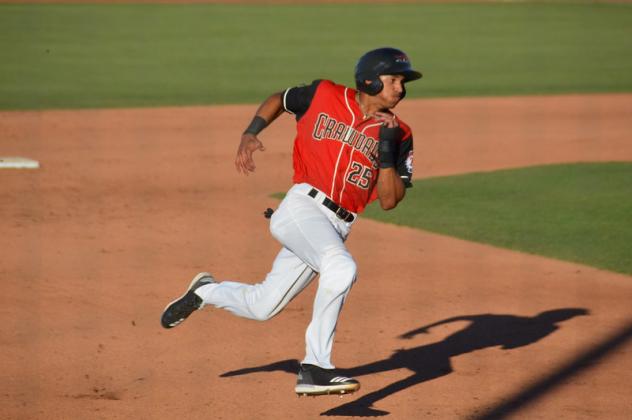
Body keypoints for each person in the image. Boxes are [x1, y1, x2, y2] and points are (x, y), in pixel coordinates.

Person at [161, 47, 422, 396]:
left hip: (337, 227)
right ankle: (315, 368)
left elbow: (390, 200)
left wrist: (387, 151)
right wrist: (252, 131)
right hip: (301, 208)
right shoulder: (325, 95)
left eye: (403, 82)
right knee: (341, 268)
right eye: (394, 80)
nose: (401, 89)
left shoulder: (400, 133)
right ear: (371, 80)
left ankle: (204, 291)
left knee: (262, 305)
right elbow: (280, 99)